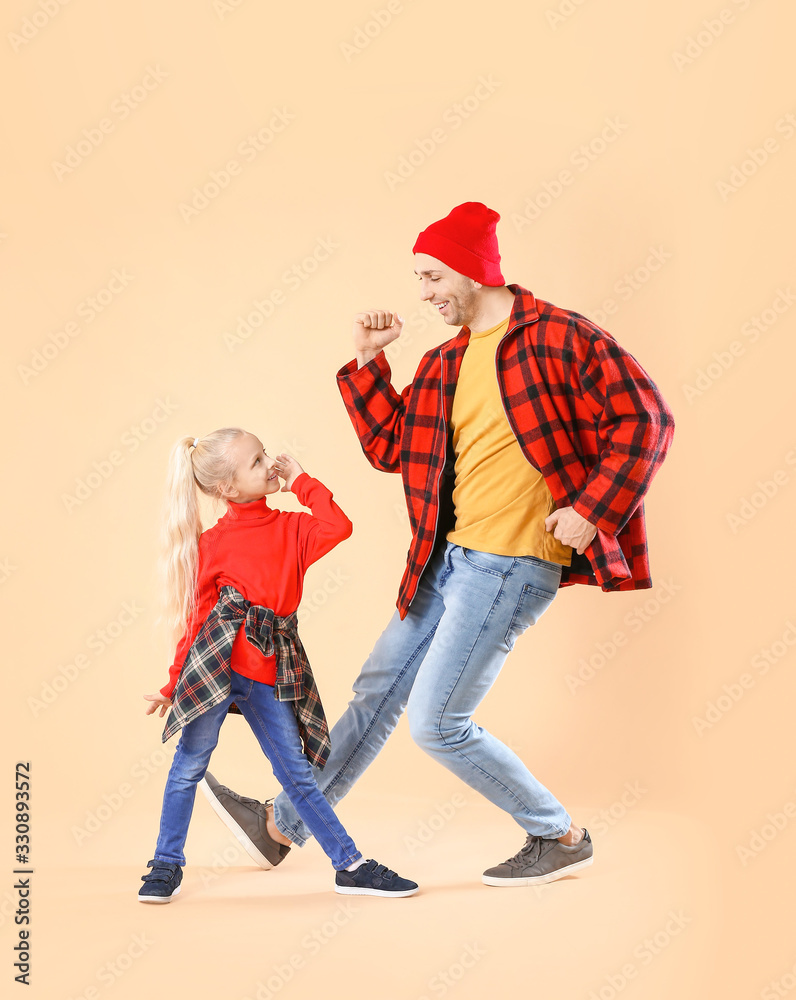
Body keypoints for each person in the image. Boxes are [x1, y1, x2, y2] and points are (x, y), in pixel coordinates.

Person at [202, 202, 675, 888]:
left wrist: (593, 509)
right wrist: (370, 363)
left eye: (430, 277)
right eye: (420, 279)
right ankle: (281, 826)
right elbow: (395, 446)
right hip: (442, 559)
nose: (423, 293)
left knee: (437, 723)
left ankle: (559, 834)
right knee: (375, 693)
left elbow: (646, 417)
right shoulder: (447, 361)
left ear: (472, 271)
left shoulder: (560, 337)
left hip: (510, 566)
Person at [138, 427, 418, 901]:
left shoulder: (292, 528)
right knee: (188, 765)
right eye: (255, 461)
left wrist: (302, 480)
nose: (269, 463)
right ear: (226, 488)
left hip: (268, 672)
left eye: (265, 454)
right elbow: (197, 621)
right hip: (216, 669)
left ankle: (349, 865)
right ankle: (166, 864)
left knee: (296, 774)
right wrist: (173, 683)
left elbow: (338, 525)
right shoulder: (211, 545)